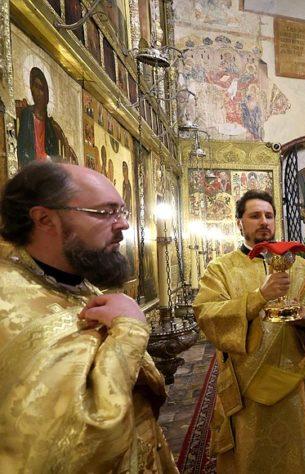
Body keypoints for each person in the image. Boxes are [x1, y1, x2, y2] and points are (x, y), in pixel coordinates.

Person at [0, 161, 175, 472]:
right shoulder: (8, 302)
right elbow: (74, 444)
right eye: (105, 213)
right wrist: (131, 330)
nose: (123, 225)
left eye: (122, 212)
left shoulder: (79, 281)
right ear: (44, 218)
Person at [193, 190, 305, 473]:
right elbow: (206, 314)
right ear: (239, 222)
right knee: (252, 456)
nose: (263, 221)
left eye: (269, 215)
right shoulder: (221, 269)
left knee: (294, 453)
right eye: (255, 216)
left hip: (293, 379)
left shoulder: (301, 267)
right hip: (247, 383)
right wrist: (259, 296)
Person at [16, 67, 77, 166]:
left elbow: (54, 154)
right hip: (31, 167)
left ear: (46, 94)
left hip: (46, 168)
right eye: (35, 86)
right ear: (31, 89)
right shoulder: (27, 114)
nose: (38, 92)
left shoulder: (49, 125)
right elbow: (21, 147)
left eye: (41, 88)